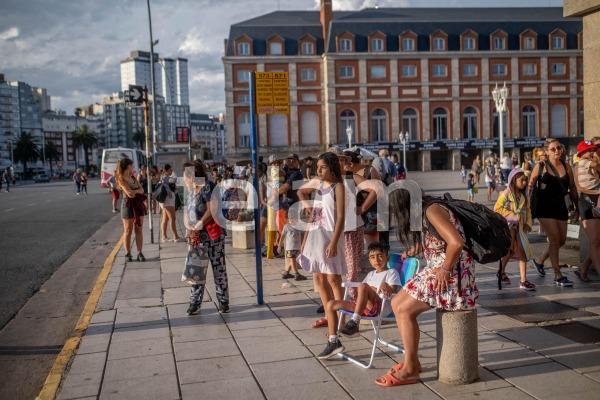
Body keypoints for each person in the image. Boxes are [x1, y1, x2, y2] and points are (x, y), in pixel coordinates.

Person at [375, 188, 478, 387]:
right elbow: (438, 238)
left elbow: (456, 243)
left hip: (453, 275)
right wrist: (416, 249)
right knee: (396, 303)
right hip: (437, 269)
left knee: (404, 311)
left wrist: (445, 270)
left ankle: (411, 369)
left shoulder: (432, 210)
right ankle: (412, 360)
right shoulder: (425, 210)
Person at [317, 242, 402, 359]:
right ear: (369, 260)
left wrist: (385, 286)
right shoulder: (371, 274)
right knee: (331, 304)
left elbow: (394, 290)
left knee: (363, 286)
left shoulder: (391, 272)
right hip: (363, 307)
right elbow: (362, 291)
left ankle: (354, 323)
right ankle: (333, 342)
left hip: (380, 308)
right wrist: (360, 293)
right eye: (372, 257)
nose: (376, 259)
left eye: (380, 256)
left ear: (387, 257)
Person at [297, 152, 346, 329]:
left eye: (322, 167)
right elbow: (313, 210)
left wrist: (334, 242)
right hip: (316, 235)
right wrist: (305, 241)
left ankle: (341, 317)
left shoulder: (338, 187)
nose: (318, 170)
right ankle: (328, 315)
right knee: (318, 277)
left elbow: (340, 217)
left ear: (332, 167)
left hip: (331, 236)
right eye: (317, 167)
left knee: (333, 278)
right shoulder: (320, 187)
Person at [529, 138, 579, 286]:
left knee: (561, 240)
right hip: (544, 207)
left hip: (560, 207)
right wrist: (525, 208)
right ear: (547, 152)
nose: (557, 151)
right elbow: (530, 187)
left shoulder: (566, 166)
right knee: (555, 238)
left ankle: (540, 261)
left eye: (559, 148)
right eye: (553, 149)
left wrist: (576, 207)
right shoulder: (541, 166)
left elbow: (573, 187)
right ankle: (557, 274)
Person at [184, 160, 229, 315]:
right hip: (196, 236)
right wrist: (189, 226)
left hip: (212, 235)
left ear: (192, 175)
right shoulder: (191, 190)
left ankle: (223, 301)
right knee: (197, 270)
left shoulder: (208, 186)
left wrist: (200, 223)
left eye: (185, 174)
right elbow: (186, 210)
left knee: (218, 269)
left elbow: (213, 208)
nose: (184, 177)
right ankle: (194, 303)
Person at [495, 168, 536, 291]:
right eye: (522, 180)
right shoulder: (506, 194)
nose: (524, 182)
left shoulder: (524, 195)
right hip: (508, 227)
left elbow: (528, 210)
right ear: (514, 180)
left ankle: (523, 280)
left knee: (522, 251)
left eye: (526, 180)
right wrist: (513, 216)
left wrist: (528, 223)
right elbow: (497, 209)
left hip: (520, 228)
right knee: (509, 251)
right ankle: (501, 272)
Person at [573, 138, 600, 282]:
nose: (595, 151)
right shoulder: (581, 164)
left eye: (596, 149)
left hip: (597, 200)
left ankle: (583, 268)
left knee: (597, 242)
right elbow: (579, 188)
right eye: (593, 148)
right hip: (588, 202)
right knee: (595, 241)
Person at [115, 158, 147, 262]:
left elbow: (142, 190)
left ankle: (139, 252)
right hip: (127, 205)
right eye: (131, 165)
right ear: (127, 166)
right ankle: (127, 253)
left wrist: (135, 191)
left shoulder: (133, 177)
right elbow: (129, 194)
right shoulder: (121, 178)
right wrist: (137, 191)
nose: (133, 166)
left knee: (139, 228)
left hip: (138, 204)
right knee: (128, 230)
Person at [278, 209, 306, 281]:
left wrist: (303, 244)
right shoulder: (286, 226)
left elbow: (302, 235)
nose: (293, 220)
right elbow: (282, 236)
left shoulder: (299, 226)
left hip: (297, 247)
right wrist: (279, 245)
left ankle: (286, 273)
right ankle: (296, 274)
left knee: (293, 260)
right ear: (287, 219)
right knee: (293, 260)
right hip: (290, 248)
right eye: (290, 218)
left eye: (295, 218)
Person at [159, 164, 182, 242]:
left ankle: (164, 236)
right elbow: (175, 184)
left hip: (167, 201)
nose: (171, 171)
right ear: (166, 170)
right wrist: (175, 189)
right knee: (172, 218)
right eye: (170, 170)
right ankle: (175, 236)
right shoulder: (166, 178)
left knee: (165, 219)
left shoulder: (164, 178)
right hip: (168, 201)